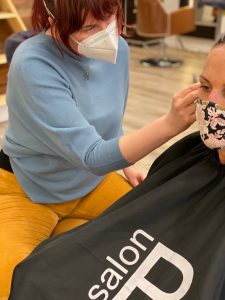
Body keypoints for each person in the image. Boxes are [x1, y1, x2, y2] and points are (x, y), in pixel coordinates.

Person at [0, 0, 199, 298]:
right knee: (15, 282)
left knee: (157, 235)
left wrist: (127, 164)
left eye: (109, 18)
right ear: (55, 19)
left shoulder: (118, 50)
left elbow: (106, 118)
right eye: (89, 27)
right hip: (28, 188)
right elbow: (93, 156)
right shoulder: (33, 65)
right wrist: (170, 124)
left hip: (89, 182)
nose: (106, 33)